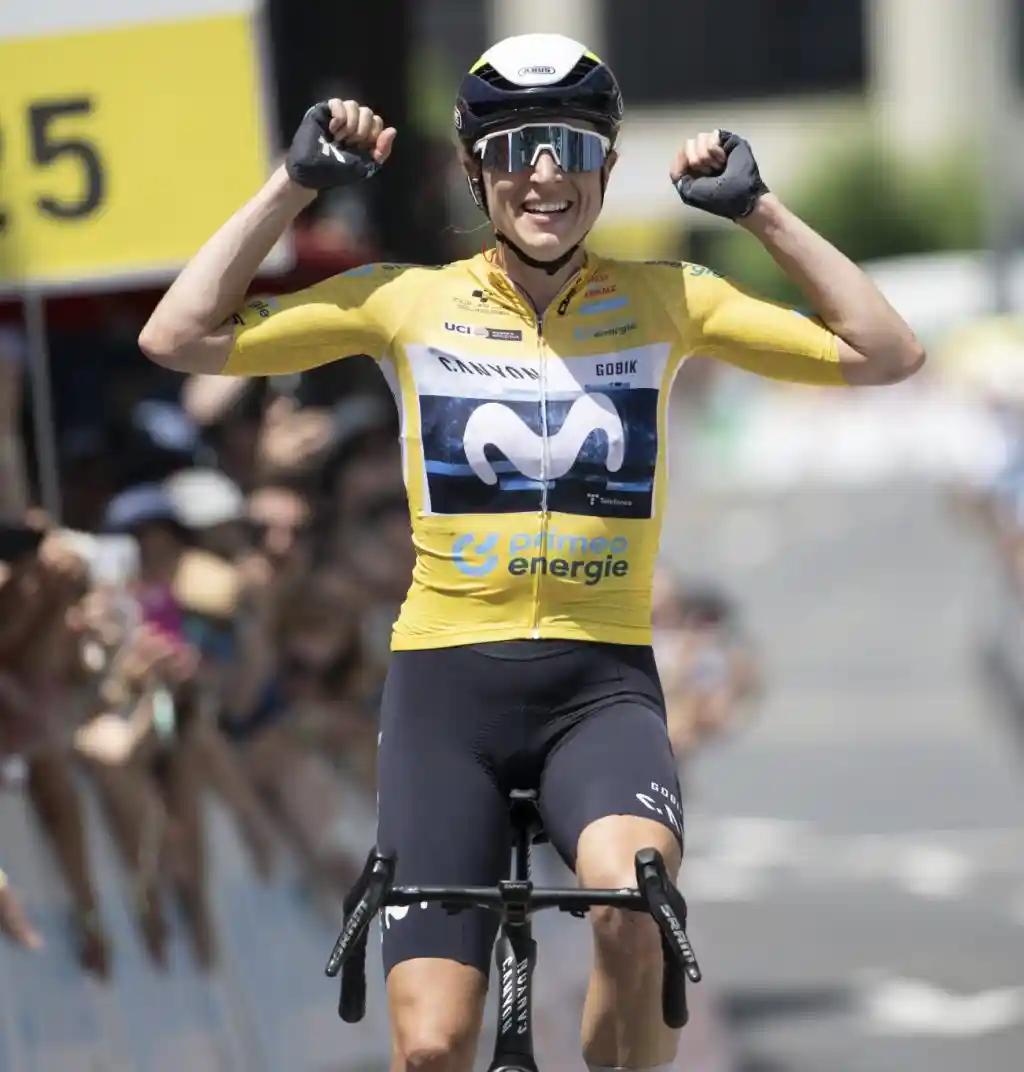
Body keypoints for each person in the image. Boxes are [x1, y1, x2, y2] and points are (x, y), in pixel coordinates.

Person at [140, 32, 925, 1072]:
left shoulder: (669, 299)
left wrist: (758, 212)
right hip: (446, 692)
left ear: (606, 165)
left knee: (634, 907)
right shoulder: (406, 302)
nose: (544, 172)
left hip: (599, 690)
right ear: (477, 172)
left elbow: (887, 351)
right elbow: (177, 336)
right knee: (431, 1046)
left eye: (571, 146)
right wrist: (293, 184)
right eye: (515, 150)